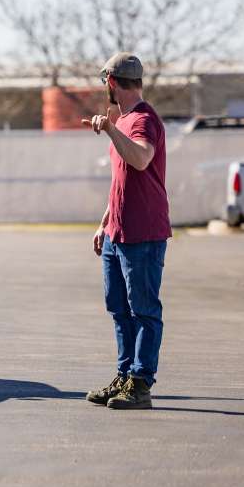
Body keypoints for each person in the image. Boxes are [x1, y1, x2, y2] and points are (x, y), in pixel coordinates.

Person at [81, 52, 171, 410]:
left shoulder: (143, 120)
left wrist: (110, 129)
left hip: (144, 235)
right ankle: (124, 375)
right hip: (118, 234)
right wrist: (105, 221)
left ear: (113, 83)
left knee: (144, 310)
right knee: (119, 309)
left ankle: (140, 382)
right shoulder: (125, 120)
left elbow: (142, 158)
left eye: (106, 81)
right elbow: (122, 181)